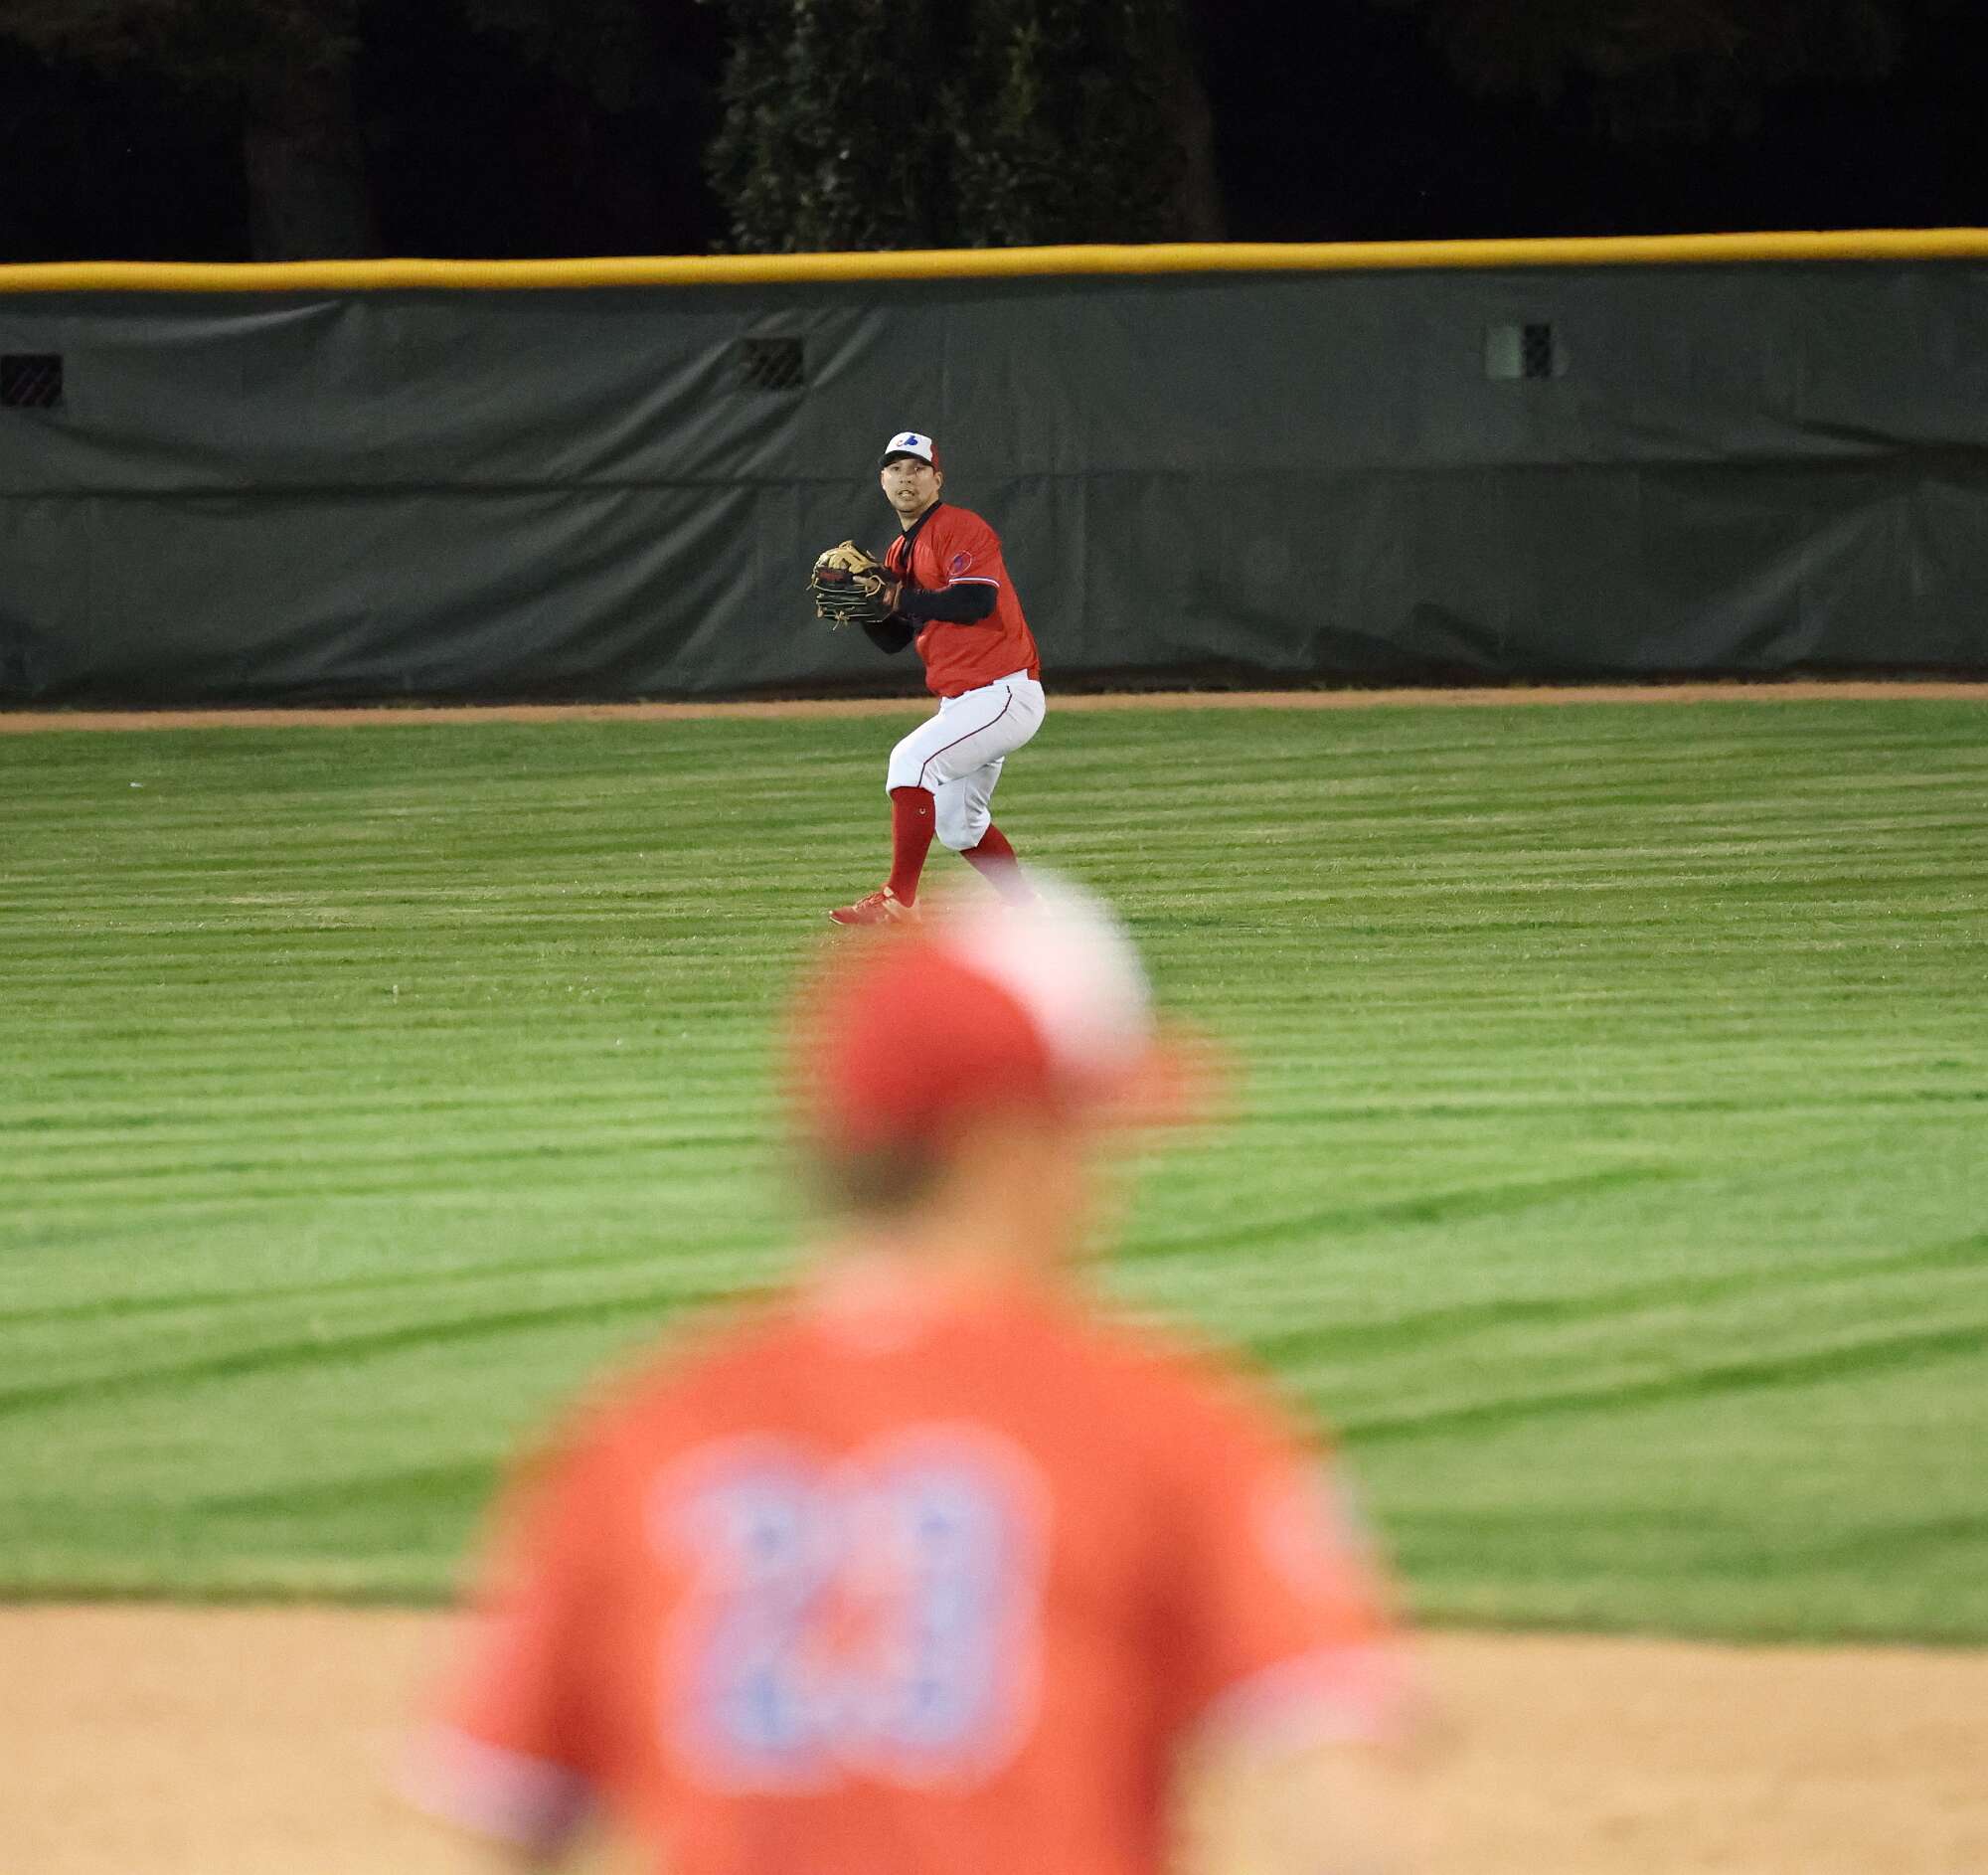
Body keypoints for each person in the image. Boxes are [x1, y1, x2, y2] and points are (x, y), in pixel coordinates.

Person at [407, 882, 1416, 1874]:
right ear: (1001, 1145)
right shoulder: (1159, 1422)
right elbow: (1337, 1811)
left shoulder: (641, 1432)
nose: (1107, 1179)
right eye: (1084, 1132)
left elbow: (489, 1823)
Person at [828, 431, 1046, 928]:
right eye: (895, 469)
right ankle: (1031, 914)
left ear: (937, 479)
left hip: (1003, 690)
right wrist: (863, 608)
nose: (906, 478)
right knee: (960, 827)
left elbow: (976, 602)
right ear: (883, 481)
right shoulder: (899, 551)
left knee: (910, 761)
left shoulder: (958, 527)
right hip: (965, 701)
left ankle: (898, 899)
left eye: (917, 468)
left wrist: (898, 597)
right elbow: (894, 639)